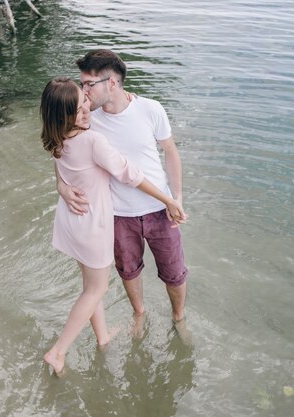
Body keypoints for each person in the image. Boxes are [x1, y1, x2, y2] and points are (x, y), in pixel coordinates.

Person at [40, 77, 186, 375]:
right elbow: (129, 174)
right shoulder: (92, 139)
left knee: (89, 288)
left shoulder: (58, 137)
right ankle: (58, 351)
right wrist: (168, 199)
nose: (87, 110)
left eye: (85, 102)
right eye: (81, 107)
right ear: (66, 114)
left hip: (71, 221)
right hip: (92, 225)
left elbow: (63, 164)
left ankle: (103, 337)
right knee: (95, 290)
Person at [57, 49, 189, 330]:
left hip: (160, 210)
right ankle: (139, 315)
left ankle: (179, 318)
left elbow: (170, 152)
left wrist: (176, 197)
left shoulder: (150, 109)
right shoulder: (87, 119)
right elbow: (63, 148)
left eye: (89, 85)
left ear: (112, 84)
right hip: (116, 215)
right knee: (128, 271)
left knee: (175, 273)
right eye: (82, 84)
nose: (84, 92)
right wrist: (62, 186)